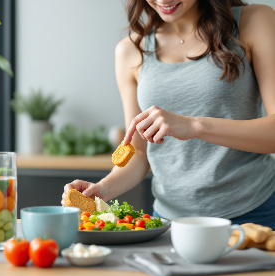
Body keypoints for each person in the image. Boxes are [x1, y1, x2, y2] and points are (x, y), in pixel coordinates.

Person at [62, 0, 275, 229]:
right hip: (169, 223)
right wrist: (103, 189)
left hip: (255, 214)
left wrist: (194, 125)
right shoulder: (130, 51)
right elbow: (139, 153)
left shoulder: (253, 21)